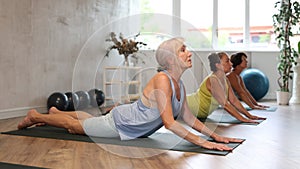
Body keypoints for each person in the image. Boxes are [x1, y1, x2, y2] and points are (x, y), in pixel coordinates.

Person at [18, 38, 243, 151]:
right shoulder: (163, 80)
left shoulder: (179, 86)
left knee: (91, 120)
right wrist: (203, 144)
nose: (189, 52)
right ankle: (37, 116)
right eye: (182, 49)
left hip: (124, 122)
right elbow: (169, 122)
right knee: (74, 128)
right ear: (169, 60)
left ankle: (56, 110)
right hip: (119, 124)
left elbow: (189, 117)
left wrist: (214, 136)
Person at [187, 52, 266, 123]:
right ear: (218, 65)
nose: (231, 64)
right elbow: (225, 104)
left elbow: (233, 100)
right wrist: (242, 119)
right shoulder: (213, 81)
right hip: (187, 105)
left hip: (200, 114)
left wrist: (249, 115)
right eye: (227, 61)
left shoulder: (226, 80)